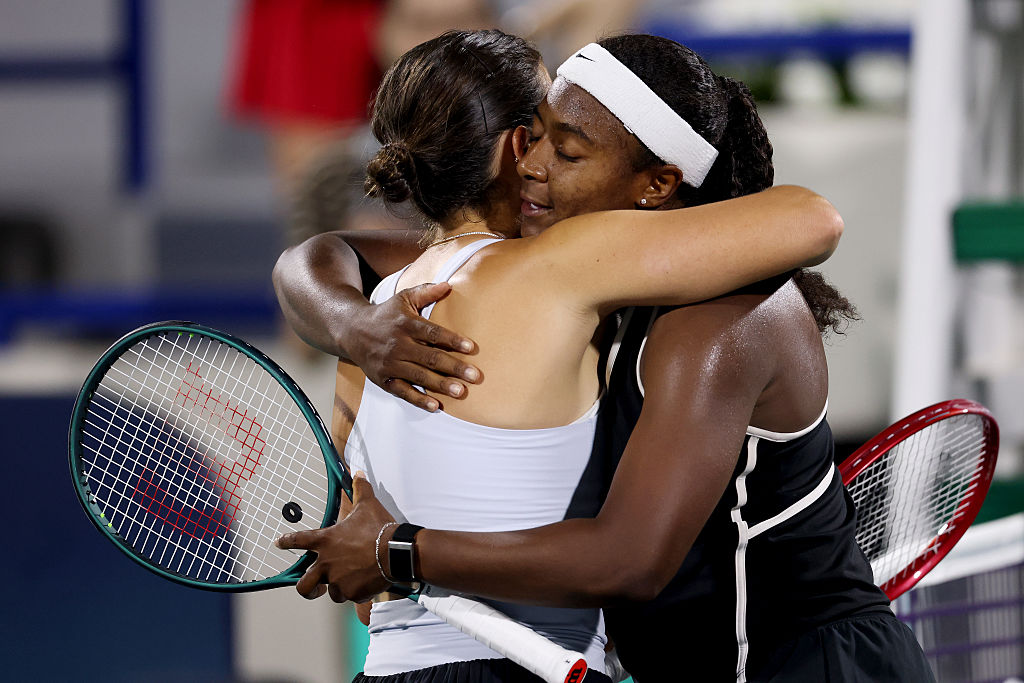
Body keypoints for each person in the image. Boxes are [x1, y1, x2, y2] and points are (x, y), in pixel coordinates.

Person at [274, 33, 923, 682]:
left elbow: (630, 560)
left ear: (658, 185)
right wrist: (352, 321)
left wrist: (399, 549)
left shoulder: (718, 315)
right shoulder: (480, 287)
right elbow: (332, 256)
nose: (533, 165)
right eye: (535, 136)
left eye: (566, 150)